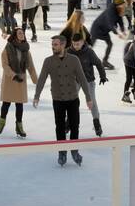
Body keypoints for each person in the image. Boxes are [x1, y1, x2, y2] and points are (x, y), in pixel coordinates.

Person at [33, 35, 92, 167]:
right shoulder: (48, 61)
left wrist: (88, 97)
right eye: (52, 44)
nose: (53, 47)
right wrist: (37, 95)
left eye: (56, 44)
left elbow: (82, 79)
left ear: (63, 45)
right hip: (58, 99)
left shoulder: (74, 60)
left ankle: (74, 150)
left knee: (74, 126)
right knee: (59, 127)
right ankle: (62, 152)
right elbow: (42, 79)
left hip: (72, 98)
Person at [0, 27, 36, 137]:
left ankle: (19, 126)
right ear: (14, 35)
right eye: (19, 33)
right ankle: (2, 122)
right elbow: (5, 65)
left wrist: (36, 81)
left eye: (22, 33)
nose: (21, 34)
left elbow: (30, 66)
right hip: (10, 79)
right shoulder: (8, 48)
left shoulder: (26, 49)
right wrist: (13, 75)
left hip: (21, 80)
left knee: (19, 105)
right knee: (6, 103)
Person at [68, 33, 107, 136]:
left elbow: (98, 63)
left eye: (78, 44)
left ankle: (96, 123)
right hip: (75, 81)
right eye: (74, 44)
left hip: (88, 80)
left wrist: (103, 76)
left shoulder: (89, 52)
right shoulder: (69, 52)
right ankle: (68, 122)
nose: (76, 46)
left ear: (82, 42)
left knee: (92, 102)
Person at [89, 0, 128, 67]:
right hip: (97, 28)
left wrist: (123, 30)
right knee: (90, 45)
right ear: (118, 5)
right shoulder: (110, 11)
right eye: (123, 6)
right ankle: (83, 59)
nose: (124, 7)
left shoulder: (119, 10)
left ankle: (105, 61)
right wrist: (117, 33)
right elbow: (110, 24)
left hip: (104, 30)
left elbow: (120, 21)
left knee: (110, 44)